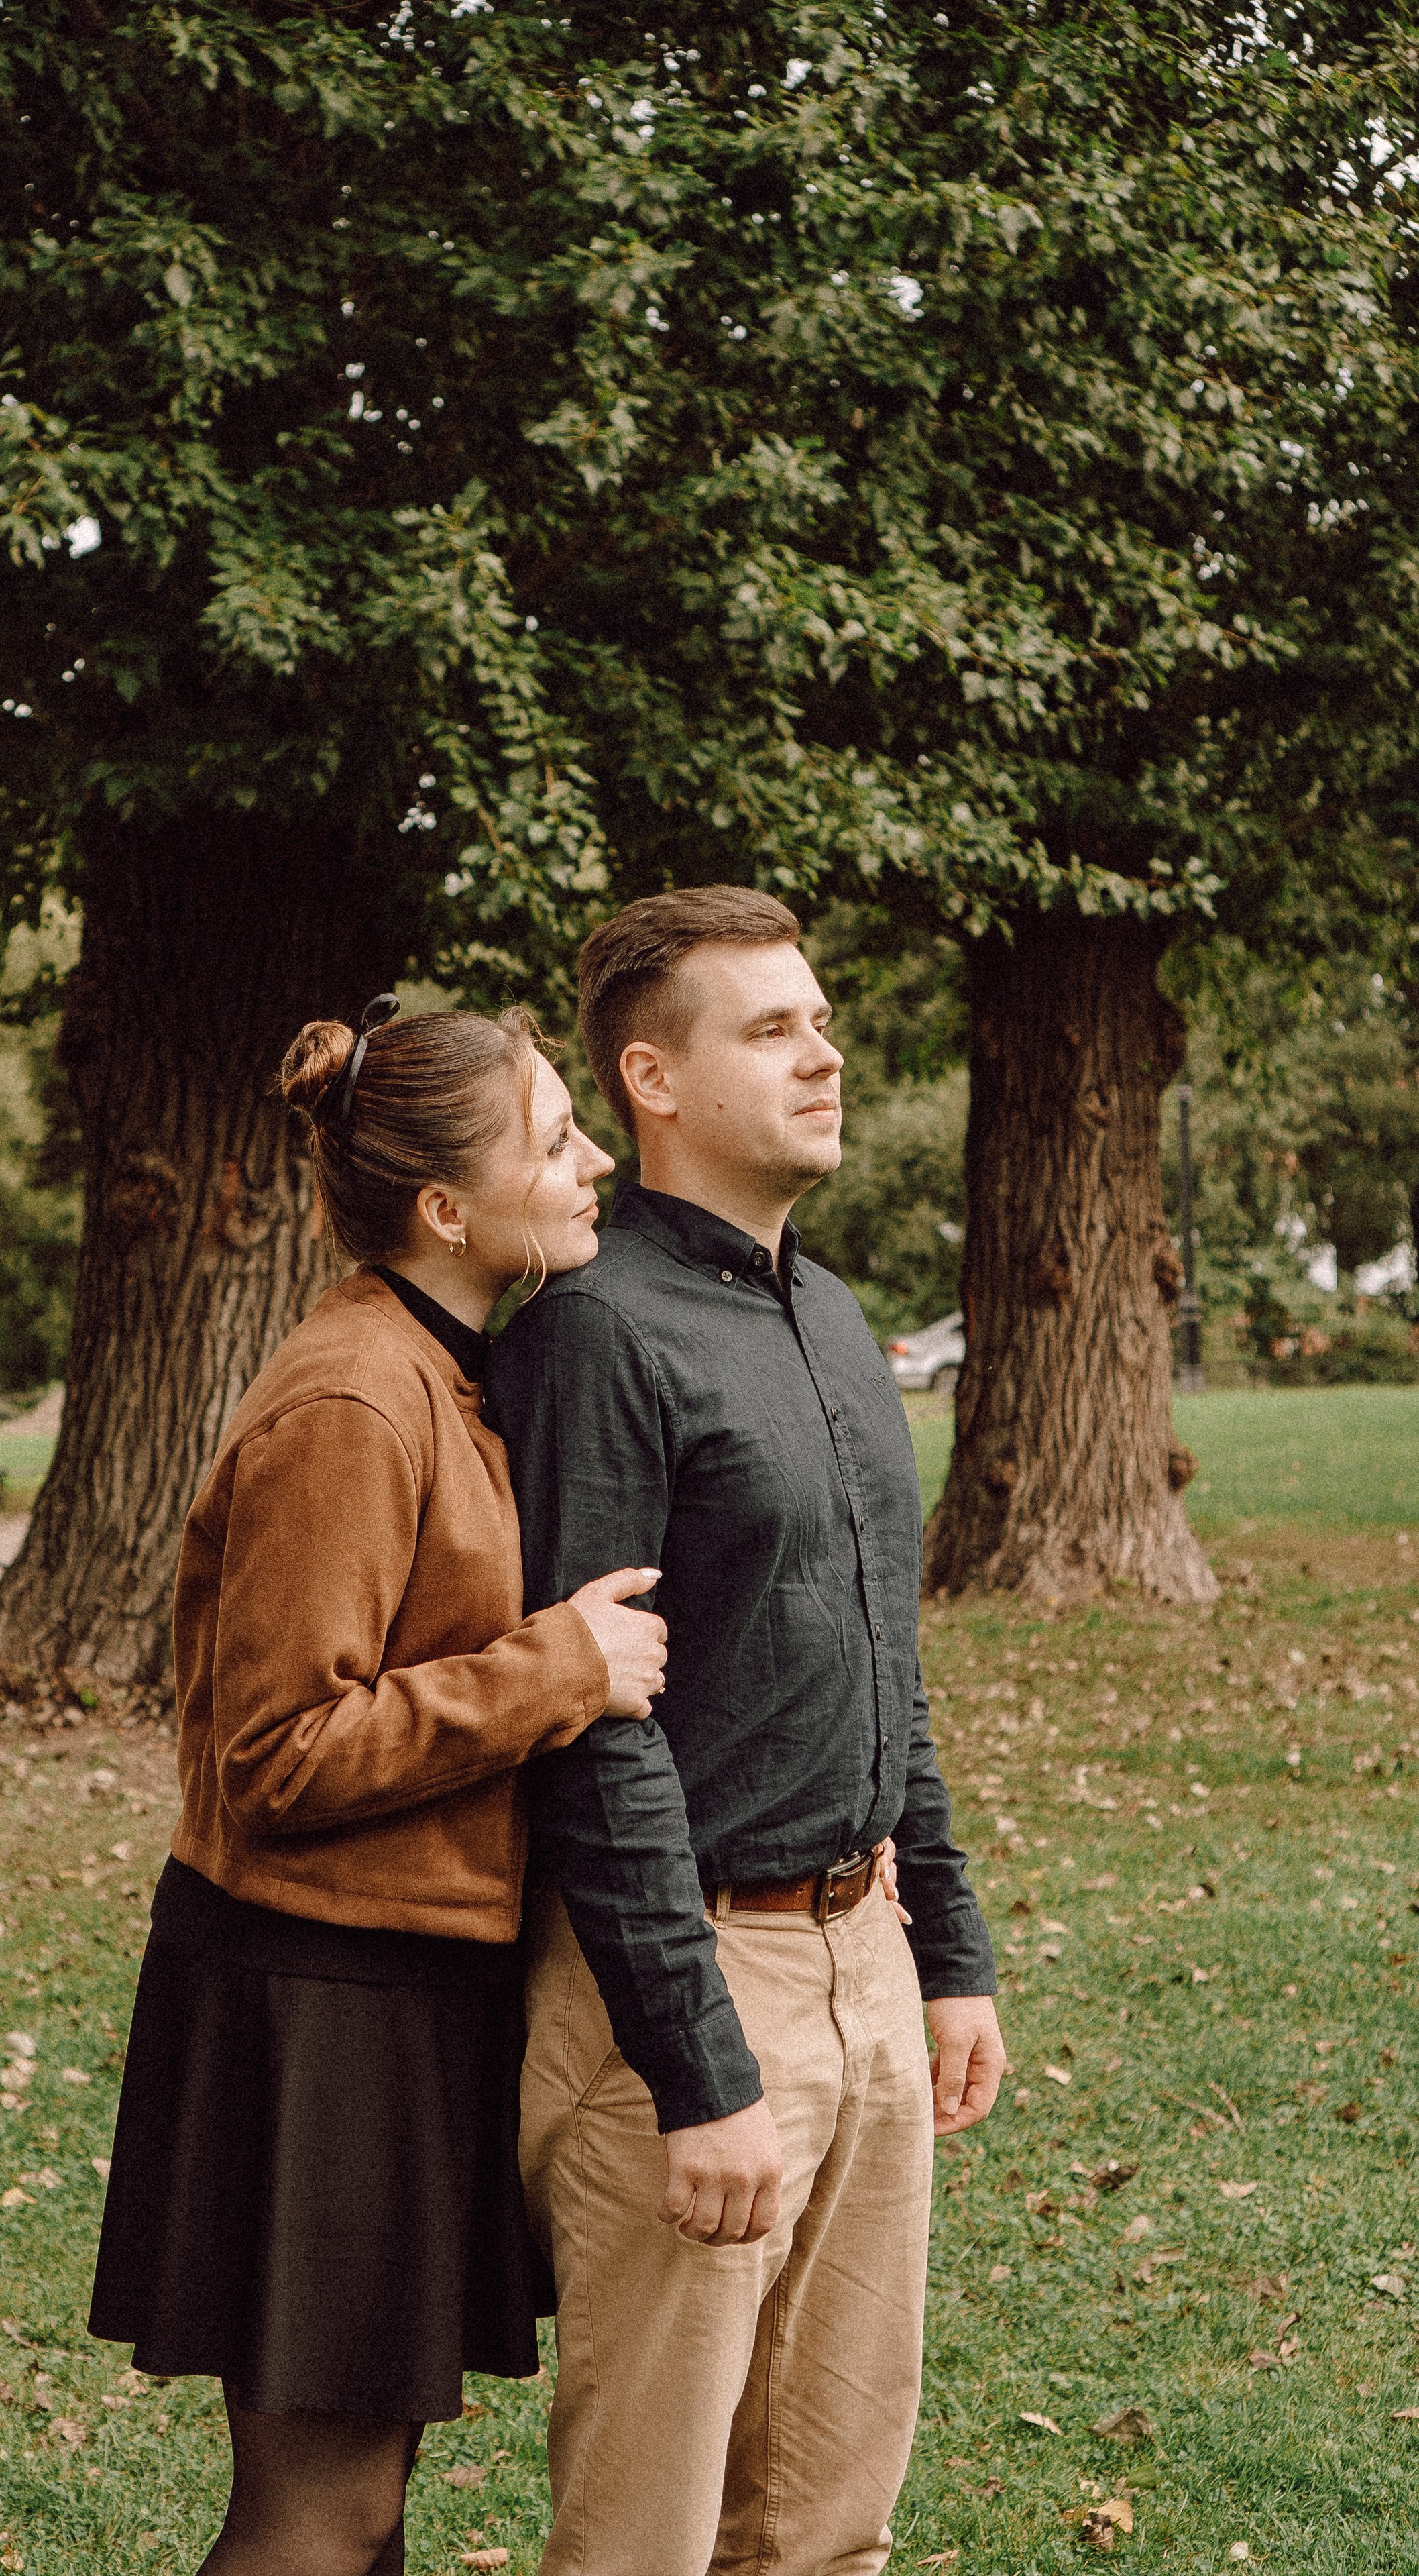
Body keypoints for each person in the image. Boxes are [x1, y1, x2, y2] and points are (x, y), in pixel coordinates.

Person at [89, 996, 667, 2576]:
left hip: (399, 1988)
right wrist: (555, 1670)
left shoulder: (439, 1364)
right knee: (322, 2511)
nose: (595, 1161)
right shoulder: (352, 1397)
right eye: (557, 1138)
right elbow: (274, 1753)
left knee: (366, 2504)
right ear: (444, 1209)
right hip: (317, 2003)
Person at [485, 888, 1006, 2576]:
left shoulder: (833, 1316)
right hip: (688, 1983)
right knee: (646, 2543)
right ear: (651, 1078)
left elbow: (880, 1658)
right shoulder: (591, 1332)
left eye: (820, 1020)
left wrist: (946, 1955)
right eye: (771, 1029)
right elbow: (592, 1732)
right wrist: (693, 2067)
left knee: (828, 2529)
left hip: (864, 1958)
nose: (822, 1054)